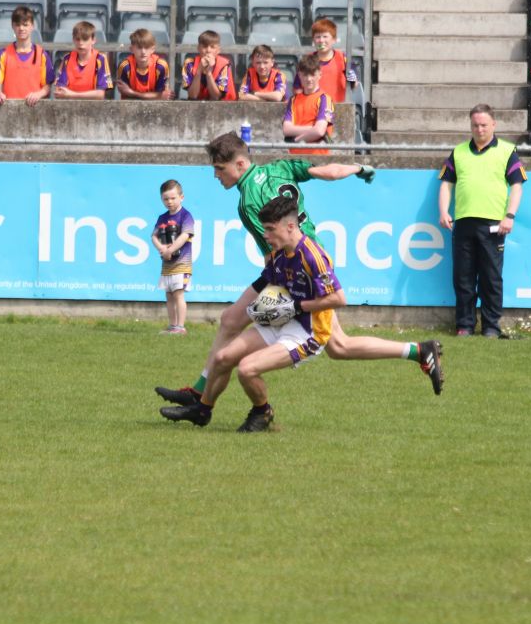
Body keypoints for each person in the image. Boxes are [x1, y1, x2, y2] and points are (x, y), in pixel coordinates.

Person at [161, 196, 444, 432]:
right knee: (223, 358)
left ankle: (262, 413)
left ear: (291, 226)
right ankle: (202, 410)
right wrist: (251, 309)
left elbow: (339, 298)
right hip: (283, 321)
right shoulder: (279, 253)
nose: (266, 235)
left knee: (247, 369)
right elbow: (264, 281)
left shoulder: (313, 256)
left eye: (270, 230)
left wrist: (298, 307)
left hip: (307, 331)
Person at [154, 132, 381, 409]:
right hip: (315, 256)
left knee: (337, 345)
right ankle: (200, 391)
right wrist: (358, 168)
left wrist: (277, 292)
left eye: (219, 168)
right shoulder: (279, 167)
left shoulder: (248, 200)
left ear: (239, 164)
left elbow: (272, 253)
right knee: (231, 320)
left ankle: (417, 350)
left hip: (301, 266)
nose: (215, 175)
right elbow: (328, 172)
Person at [437, 105, 527, 339]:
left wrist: (510, 215)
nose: (479, 129)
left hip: (494, 225)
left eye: (484, 125)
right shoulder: (458, 152)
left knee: (491, 278)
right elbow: (446, 183)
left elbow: (517, 186)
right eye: (475, 125)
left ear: (493, 125)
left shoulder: (507, 151)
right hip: (464, 223)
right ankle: (465, 325)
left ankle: (491, 327)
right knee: (463, 277)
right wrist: (444, 211)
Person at [151, 180, 196, 335]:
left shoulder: (186, 215)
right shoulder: (162, 218)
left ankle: (180, 326)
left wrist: (171, 250)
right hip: (167, 265)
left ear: (181, 197)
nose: (169, 202)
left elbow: (185, 235)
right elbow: (154, 236)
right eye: (166, 199)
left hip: (181, 264)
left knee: (178, 293)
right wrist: (162, 248)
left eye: (173, 198)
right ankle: (172, 325)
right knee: (169, 295)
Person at [0, 6, 54, 107]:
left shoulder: (42, 54)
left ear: (32, 26)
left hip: (35, 109)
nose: (21, 28)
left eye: (25, 25)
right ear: (12, 26)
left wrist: (38, 94)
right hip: (9, 108)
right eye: (17, 25)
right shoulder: (3, 54)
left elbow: (47, 86)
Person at [283, 54, 334, 154]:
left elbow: (319, 131)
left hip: (317, 158)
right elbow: (286, 129)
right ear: (299, 75)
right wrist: (312, 129)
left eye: (312, 74)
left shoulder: (324, 98)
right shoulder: (293, 100)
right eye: (305, 75)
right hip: (295, 159)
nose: (309, 79)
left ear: (319, 75)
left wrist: (297, 140)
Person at [54, 21, 113, 100]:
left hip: (94, 107)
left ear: (93, 40)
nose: (81, 43)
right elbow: (59, 91)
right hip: (70, 106)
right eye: (77, 39)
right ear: (73, 40)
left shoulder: (100, 59)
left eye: (85, 39)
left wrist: (72, 95)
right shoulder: (67, 59)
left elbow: (100, 94)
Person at [303, 18, 355, 105]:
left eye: (325, 36)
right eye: (318, 37)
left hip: (337, 109)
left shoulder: (344, 58)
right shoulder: (307, 60)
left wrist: (352, 80)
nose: (321, 40)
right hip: (312, 109)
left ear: (334, 39)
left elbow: (354, 84)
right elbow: (298, 87)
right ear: (313, 40)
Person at [116, 28, 172, 100]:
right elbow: (125, 95)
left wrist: (132, 93)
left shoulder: (161, 66)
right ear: (131, 49)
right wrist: (155, 96)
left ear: (153, 49)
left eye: (146, 47)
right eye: (139, 48)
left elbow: (162, 97)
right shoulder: (125, 66)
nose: (143, 52)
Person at [182, 30, 238, 100]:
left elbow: (216, 97)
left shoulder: (224, 65)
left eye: (212, 47)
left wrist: (209, 73)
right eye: (204, 46)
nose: (208, 50)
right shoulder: (189, 63)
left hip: (224, 106)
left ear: (218, 50)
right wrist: (199, 71)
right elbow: (193, 95)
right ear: (198, 48)